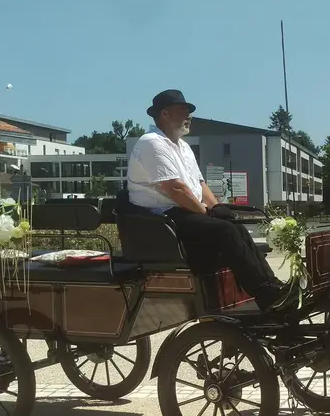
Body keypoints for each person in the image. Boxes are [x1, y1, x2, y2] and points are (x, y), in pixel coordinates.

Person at [126, 89, 299, 312]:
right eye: (183, 110)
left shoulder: (183, 146)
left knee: (237, 230)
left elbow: (199, 184)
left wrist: (216, 206)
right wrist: (207, 213)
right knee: (225, 232)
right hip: (161, 220)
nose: (189, 116)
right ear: (165, 114)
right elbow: (175, 189)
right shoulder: (151, 143)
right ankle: (265, 294)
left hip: (183, 213)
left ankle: (272, 286)